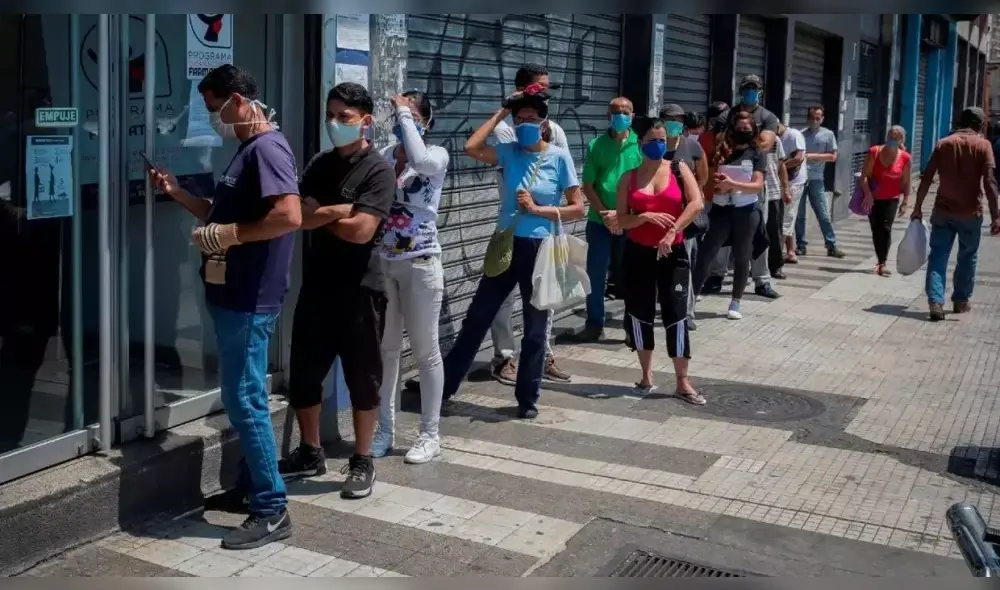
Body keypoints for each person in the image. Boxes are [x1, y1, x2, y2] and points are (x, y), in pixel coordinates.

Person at [149, 65, 302, 550]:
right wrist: (177, 194)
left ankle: (272, 508)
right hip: (234, 295)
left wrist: (232, 235)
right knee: (243, 396)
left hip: (250, 298)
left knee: (245, 399)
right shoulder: (247, 151)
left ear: (239, 101)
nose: (214, 119)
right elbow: (222, 215)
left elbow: (289, 216)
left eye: (215, 109)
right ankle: (252, 488)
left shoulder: (267, 149)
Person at [282, 82, 396, 499]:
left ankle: (362, 458)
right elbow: (295, 214)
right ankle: (310, 450)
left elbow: (362, 231)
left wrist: (321, 214)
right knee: (305, 374)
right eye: (331, 115)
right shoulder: (318, 165)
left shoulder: (378, 171)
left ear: (365, 121)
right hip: (317, 286)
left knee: (363, 378)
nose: (335, 123)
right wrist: (340, 211)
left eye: (344, 117)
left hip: (361, 291)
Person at [443, 89, 584, 419]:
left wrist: (540, 209)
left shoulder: (559, 157)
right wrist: (501, 112)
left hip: (540, 248)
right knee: (477, 317)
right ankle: (445, 387)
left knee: (535, 329)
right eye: (519, 119)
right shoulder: (508, 152)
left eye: (530, 119)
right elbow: (471, 147)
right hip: (505, 245)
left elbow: (578, 208)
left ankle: (527, 397)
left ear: (544, 123)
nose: (523, 125)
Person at [371, 91, 448, 463]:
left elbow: (418, 157)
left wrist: (403, 112)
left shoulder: (436, 156)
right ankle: (385, 429)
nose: (403, 120)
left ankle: (430, 434)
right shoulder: (385, 154)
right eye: (400, 114)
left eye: (413, 115)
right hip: (387, 262)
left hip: (421, 264)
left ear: (425, 122)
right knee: (387, 351)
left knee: (426, 351)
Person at [491, 63, 571, 383]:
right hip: (511, 225)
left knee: (544, 294)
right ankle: (504, 357)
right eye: (539, 88)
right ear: (522, 90)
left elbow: (562, 176)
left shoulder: (556, 130)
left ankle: (542, 354)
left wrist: (555, 215)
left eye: (547, 89)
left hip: (544, 225)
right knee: (504, 293)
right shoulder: (506, 128)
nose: (546, 95)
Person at [615, 117, 705, 403]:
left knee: (676, 314)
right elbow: (622, 219)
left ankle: (682, 381)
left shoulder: (678, 169)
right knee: (640, 312)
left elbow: (696, 203)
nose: (657, 145)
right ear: (640, 144)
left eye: (662, 140)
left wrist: (672, 231)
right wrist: (642, 216)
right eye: (652, 140)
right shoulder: (628, 178)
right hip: (638, 253)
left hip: (672, 252)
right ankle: (646, 376)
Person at [910, 107, 1000, 321]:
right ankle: (960, 301)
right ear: (979, 125)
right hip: (970, 212)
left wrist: (917, 206)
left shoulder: (944, 143)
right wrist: (996, 215)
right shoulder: (983, 145)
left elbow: (927, 177)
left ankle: (935, 301)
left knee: (938, 255)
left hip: (943, 210)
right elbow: (989, 181)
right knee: (968, 256)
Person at [576, 97, 642, 342]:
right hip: (599, 221)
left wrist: (624, 215)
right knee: (595, 274)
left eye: (626, 111)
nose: (621, 116)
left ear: (633, 116)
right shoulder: (596, 145)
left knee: (632, 275)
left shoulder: (640, 145)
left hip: (631, 220)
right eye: (616, 112)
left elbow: (644, 184)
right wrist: (606, 213)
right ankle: (595, 323)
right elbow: (589, 185)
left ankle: (630, 327)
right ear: (608, 115)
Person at [690, 111, 766, 321]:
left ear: (753, 130)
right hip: (722, 208)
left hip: (746, 210)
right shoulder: (721, 150)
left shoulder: (757, 153)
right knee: (707, 253)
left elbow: (757, 185)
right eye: (739, 127)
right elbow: (706, 176)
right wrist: (718, 184)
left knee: (742, 255)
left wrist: (733, 185)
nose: (743, 131)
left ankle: (735, 301)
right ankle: (691, 300)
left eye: (746, 128)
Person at [658, 104, 708, 330]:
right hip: (657, 215)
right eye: (670, 119)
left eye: (678, 120)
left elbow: (702, 177)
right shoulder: (651, 146)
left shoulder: (693, 147)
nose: (674, 124)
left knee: (684, 263)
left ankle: (686, 313)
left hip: (684, 217)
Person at [860, 125, 911, 277]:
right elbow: (864, 177)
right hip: (873, 198)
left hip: (892, 198)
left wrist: (905, 201)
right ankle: (880, 259)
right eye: (890, 136)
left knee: (886, 228)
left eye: (896, 138)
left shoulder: (905, 157)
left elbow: (906, 182)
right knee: (876, 229)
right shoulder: (874, 152)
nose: (892, 140)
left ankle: (882, 262)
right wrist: (868, 194)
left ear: (902, 140)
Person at [796, 105, 846, 258]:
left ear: (822, 119)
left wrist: (812, 156)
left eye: (818, 118)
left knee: (823, 213)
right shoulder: (800, 134)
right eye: (812, 118)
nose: (815, 121)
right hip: (800, 179)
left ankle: (831, 245)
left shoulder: (828, 135)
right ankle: (801, 245)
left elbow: (832, 156)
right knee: (800, 215)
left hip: (817, 179)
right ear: (807, 118)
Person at [750, 128, 789, 294]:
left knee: (773, 231)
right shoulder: (744, 140)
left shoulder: (776, 141)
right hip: (752, 192)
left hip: (772, 192)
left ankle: (775, 266)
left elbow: (781, 165)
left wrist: (785, 188)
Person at [778, 122, 808, 264]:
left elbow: (798, 158)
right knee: (789, 216)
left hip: (794, 183)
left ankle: (777, 255)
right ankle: (791, 251)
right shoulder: (777, 138)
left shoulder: (794, 135)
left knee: (787, 218)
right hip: (783, 181)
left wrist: (780, 166)